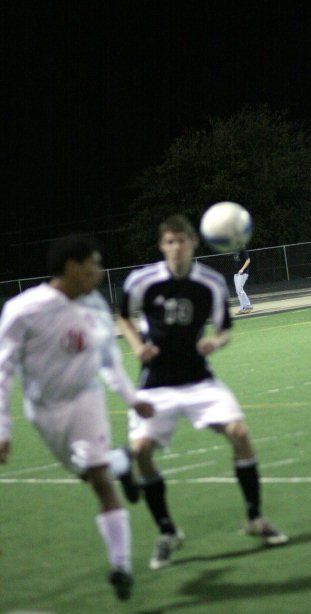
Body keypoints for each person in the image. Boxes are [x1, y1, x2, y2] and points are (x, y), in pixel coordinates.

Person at [118, 214, 288, 570]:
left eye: (182, 241)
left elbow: (225, 328)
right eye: (170, 242)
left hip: (199, 380)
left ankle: (255, 518)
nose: (176, 247)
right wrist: (136, 345)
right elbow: (122, 315)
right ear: (162, 246)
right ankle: (167, 532)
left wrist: (215, 341)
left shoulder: (209, 282)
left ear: (194, 242)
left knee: (240, 434)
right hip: (156, 382)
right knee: (140, 452)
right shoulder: (143, 281)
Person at [0, 234, 154, 600]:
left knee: (98, 479)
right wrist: (2, 428)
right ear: (72, 268)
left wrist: (132, 400)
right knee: (88, 471)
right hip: (44, 411)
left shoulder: (94, 307)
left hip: (86, 401)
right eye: (94, 265)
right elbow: (3, 370)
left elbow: (108, 361)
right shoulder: (24, 310)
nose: (99, 273)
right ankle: (123, 461)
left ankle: (121, 566)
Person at [233, 248, 253, 314]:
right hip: (236, 273)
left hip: (243, 273)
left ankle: (248, 306)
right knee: (238, 291)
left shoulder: (243, 249)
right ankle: (243, 308)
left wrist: (242, 269)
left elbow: (248, 260)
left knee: (239, 289)